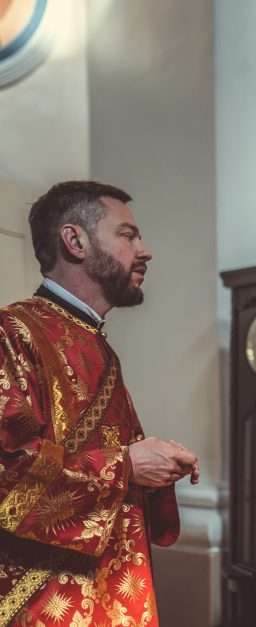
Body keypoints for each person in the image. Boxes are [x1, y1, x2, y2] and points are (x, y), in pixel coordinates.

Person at [0, 181, 199, 625]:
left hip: (108, 586)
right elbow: (7, 468)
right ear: (75, 241)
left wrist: (156, 466)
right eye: (127, 236)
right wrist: (126, 466)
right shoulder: (13, 333)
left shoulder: (94, 341)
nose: (145, 251)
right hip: (39, 596)